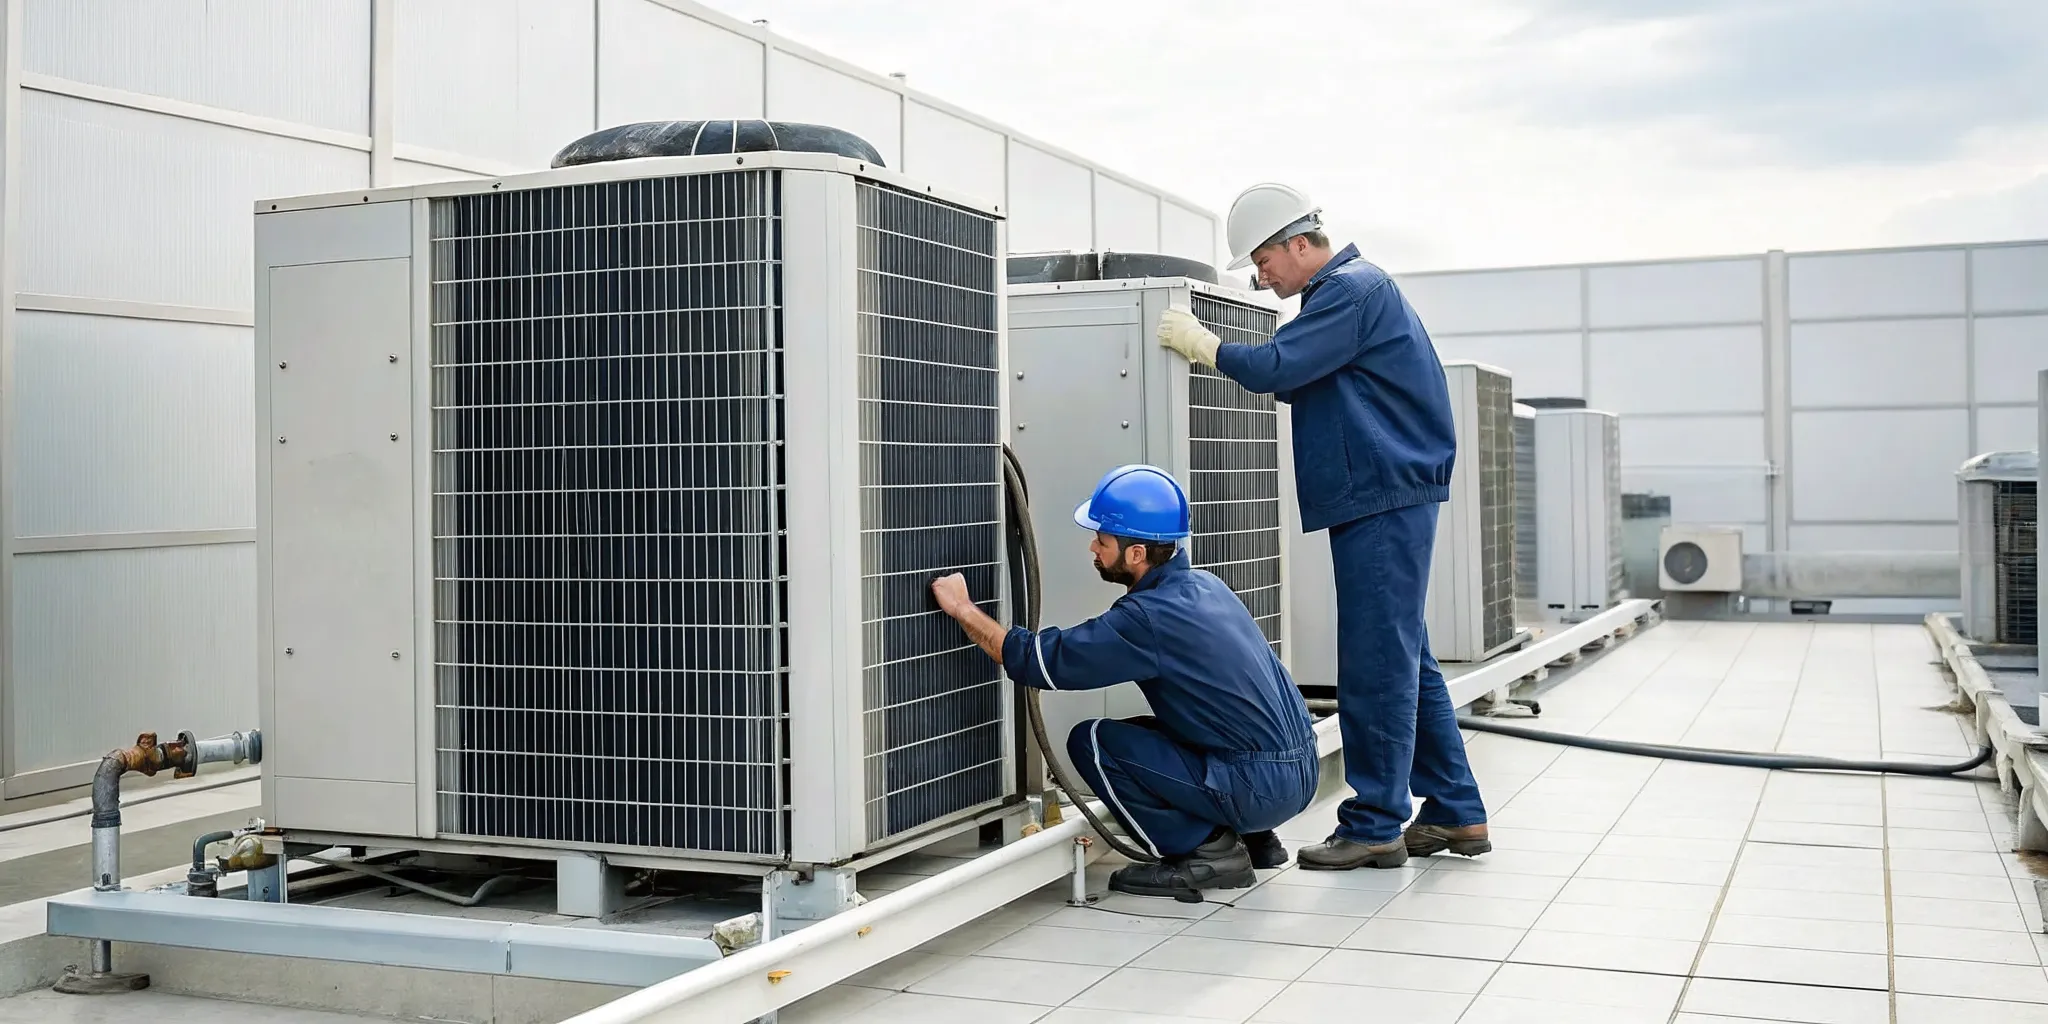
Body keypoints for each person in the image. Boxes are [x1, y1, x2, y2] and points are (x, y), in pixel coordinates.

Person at [1154, 183, 1489, 870]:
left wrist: (1204, 346)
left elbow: (1280, 367)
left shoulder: (1349, 291)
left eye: (1264, 259)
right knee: (1406, 659)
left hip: (1382, 500)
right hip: (1383, 496)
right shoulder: (1349, 294)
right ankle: (1456, 812)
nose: (1260, 275)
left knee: (1375, 665)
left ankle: (1374, 824)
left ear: (1300, 244)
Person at [930, 464, 1319, 899]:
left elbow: (1042, 662)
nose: (1093, 547)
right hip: (1299, 771)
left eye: (1103, 539)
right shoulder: (1206, 586)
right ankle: (1255, 838)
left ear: (1136, 554)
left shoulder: (1147, 617)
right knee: (1150, 729)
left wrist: (963, 609)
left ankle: (1208, 854)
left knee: (1094, 742)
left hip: (1260, 787)